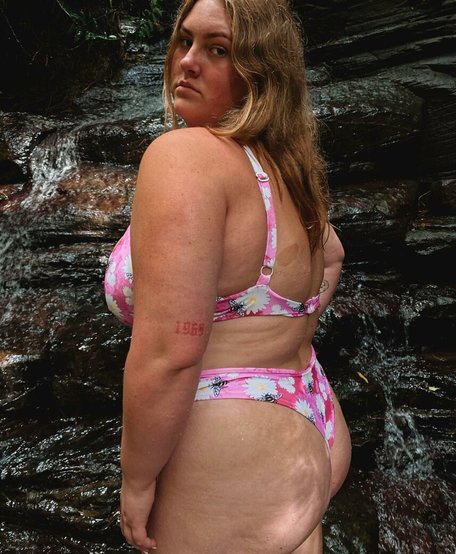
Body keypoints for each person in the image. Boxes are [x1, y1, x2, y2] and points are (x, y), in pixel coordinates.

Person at [104, 0, 351, 551]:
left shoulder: (184, 156)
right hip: (306, 420)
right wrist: (272, 334)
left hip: (234, 448)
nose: (187, 61)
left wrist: (136, 480)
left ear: (260, 72)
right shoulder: (284, 168)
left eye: (218, 49)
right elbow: (332, 255)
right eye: (185, 40)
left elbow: (171, 353)